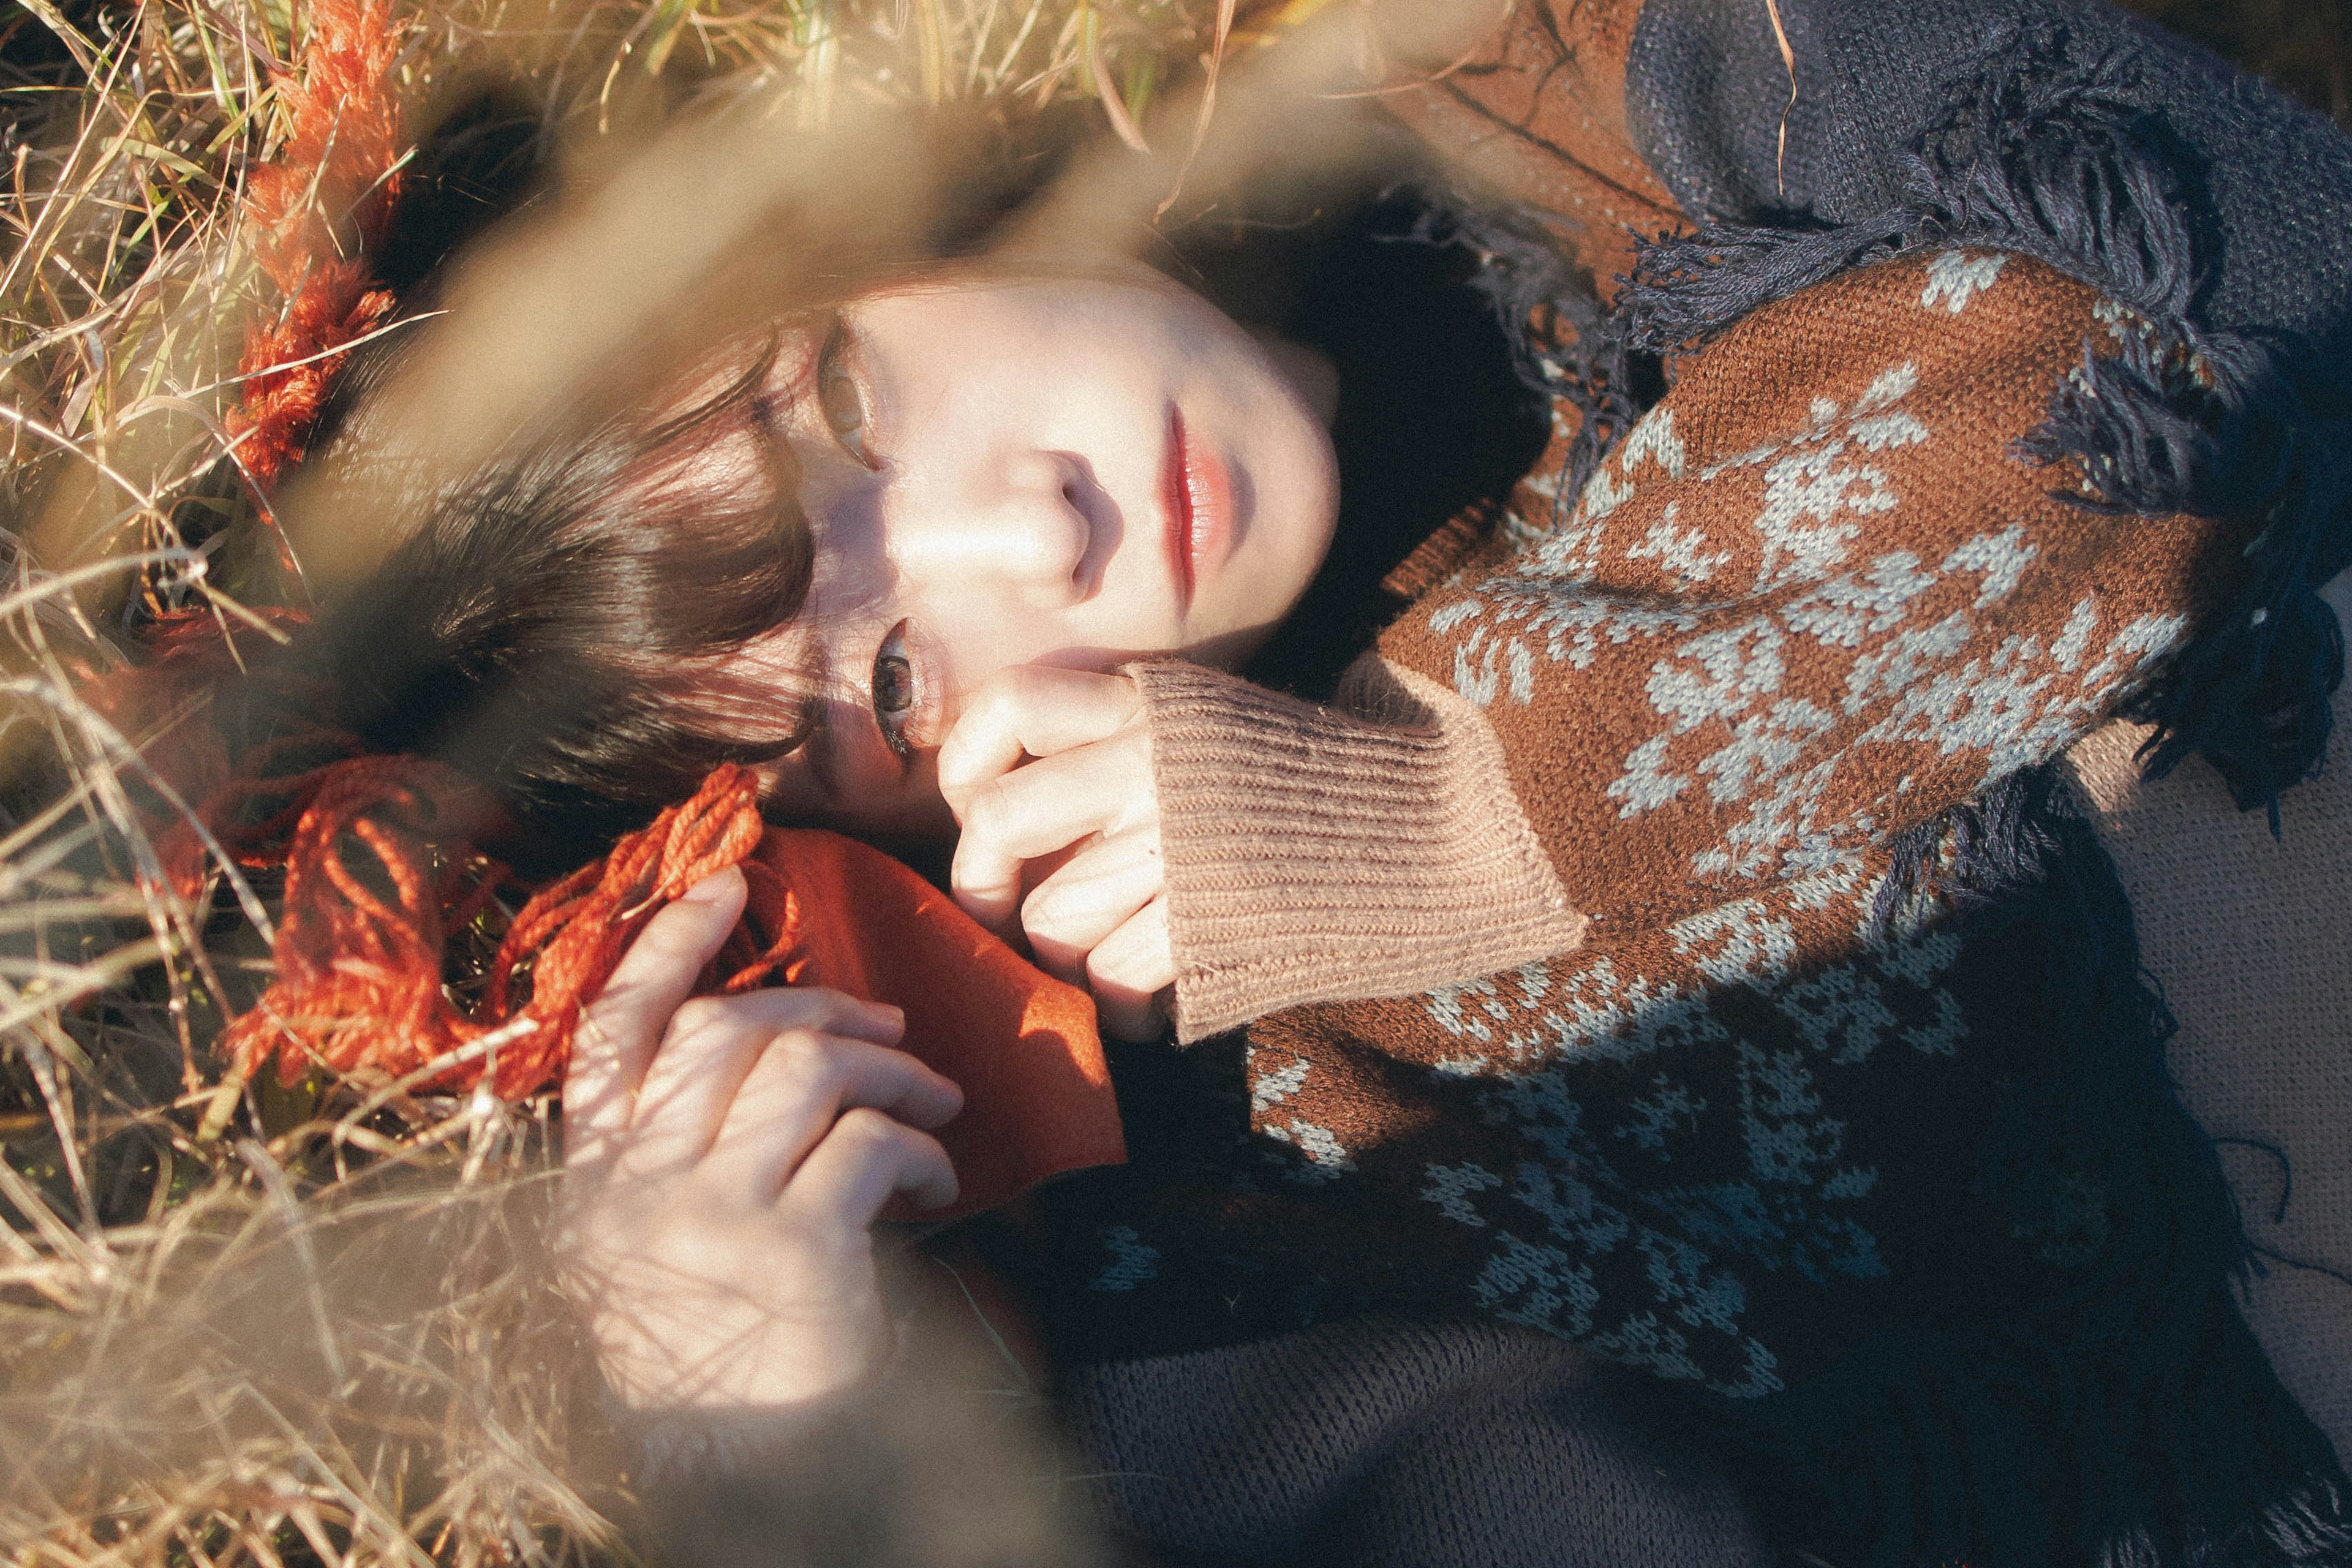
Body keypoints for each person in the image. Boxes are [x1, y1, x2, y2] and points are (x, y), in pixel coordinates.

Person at [281, 0, 2352, 1562]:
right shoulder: (1234, 1148)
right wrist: (813, 1446)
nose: (1036, 538)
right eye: (896, 682)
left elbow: (2213, 269)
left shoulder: (1517, 83)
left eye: (845, 397)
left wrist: (1459, 807)